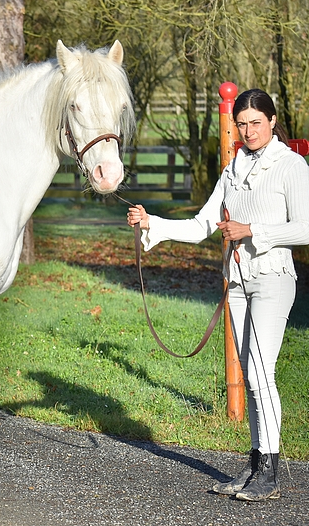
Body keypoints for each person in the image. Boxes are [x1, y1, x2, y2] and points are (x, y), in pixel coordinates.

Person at [127, 88, 309, 501]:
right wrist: (151, 221)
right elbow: (200, 225)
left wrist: (253, 231)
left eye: (255, 123)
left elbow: (306, 227)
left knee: (263, 374)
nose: (248, 131)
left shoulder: (291, 166)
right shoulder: (232, 170)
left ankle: (271, 472)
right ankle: (256, 463)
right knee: (250, 374)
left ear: (272, 120)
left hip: (274, 279)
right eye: (242, 124)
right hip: (239, 284)